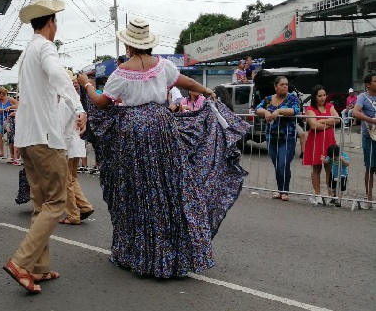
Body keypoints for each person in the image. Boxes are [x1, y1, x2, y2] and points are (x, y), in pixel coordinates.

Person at [83, 17, 248, 278]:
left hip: (133, 132)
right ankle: (173, 257)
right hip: (162, 127)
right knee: (169, 188)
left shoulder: (121, 72)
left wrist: (87, 86)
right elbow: (189, 85)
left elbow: (102, 103)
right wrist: (208, 91)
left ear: (129, 44)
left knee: (137, 192)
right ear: (148, 43)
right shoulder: (163, 67)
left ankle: (139, 254)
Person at [3, 0, 86, 293]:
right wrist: (78, 107)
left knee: (41, 204)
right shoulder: (46, 48)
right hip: (45, 138)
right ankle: (21, 262)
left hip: (26, 138)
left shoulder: (28, 52)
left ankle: (39, 268)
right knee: (56, 202)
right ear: (51, 22)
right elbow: (58, 75)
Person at [255, 76, 301, 201]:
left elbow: (295, 110)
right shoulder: (268, 99)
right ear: (276, 87)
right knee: (277, 164)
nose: (285, 86)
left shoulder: (292, 98)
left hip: (287, 137)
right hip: (272, 137)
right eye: (282, 84)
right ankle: (280, 189)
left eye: (286, 84)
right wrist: (265, 112)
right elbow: (257, 109)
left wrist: (279, 111)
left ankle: (285, 190)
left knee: (283, 164)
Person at [59, 70, 94, 225]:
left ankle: (73, 214)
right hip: (76, 143)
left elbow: (61, 127)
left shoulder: (64, 101)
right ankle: (84, 206)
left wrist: (60, 148)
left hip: (68, 145)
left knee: (66, 181)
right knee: (72, 179)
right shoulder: (75, 99)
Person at [303, 85, 339, 205]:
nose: (323, 97)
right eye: (320, 96)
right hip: (316, 140)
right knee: (317, 168)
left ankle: (331, 195)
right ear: (314, 97)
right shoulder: (310, 109)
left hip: (329, 139)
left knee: (329, 167)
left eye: (324, 95)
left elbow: (337, 119)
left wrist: (322, 121)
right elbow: (313, 125)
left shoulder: (330, 106)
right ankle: (318, 195)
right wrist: (329, 122)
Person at [352, 73, 376, 209]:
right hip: (369, 136)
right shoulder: (362, 97)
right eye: (375, 81)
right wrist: (372, 120)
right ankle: (369, 199)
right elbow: (355, 112)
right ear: (368, 84)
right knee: (370, 168)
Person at [0, 86, 17, 159]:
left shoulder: (10, 99)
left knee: (11, 139)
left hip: (10, 122)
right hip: (2, 122)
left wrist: (10, 107)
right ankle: (2, 152)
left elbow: (18, 104)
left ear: (1, 93)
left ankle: (13, 155)